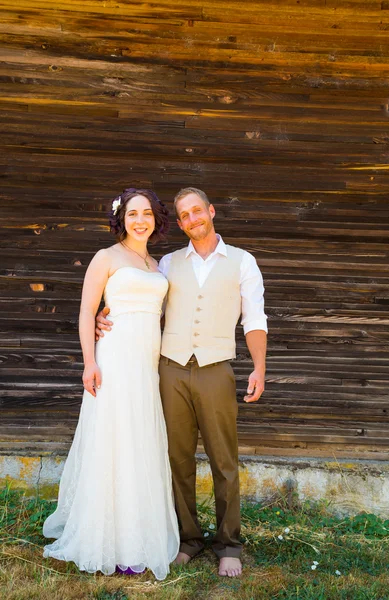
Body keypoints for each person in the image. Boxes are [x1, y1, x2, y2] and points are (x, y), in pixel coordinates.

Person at [96, 187, 267, 578]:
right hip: (170, 369)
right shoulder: (167, 264)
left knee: (224, 460)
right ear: (180, 222)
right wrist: (98, 318)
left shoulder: (243, 262)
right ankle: (186, 539)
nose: (192, 219)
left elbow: (255, 319)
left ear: (211, 211)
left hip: (215, 368)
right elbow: (133, 300)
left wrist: (258, 367)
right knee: (177, 459)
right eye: (184, 215)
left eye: (197, 211)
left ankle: (229, 545)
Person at [43, 188, 179, 579]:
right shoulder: (106, 257)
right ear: (121, 218)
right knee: (114, 440)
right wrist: (89, 361)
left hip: (146, 363)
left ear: (156, 219)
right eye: (133, 213)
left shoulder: (156, 264)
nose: (140, 220)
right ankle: (107, 540)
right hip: (115, 359)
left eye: (147, 214)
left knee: (140, 440)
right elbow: (87, 311)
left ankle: (137, 536)